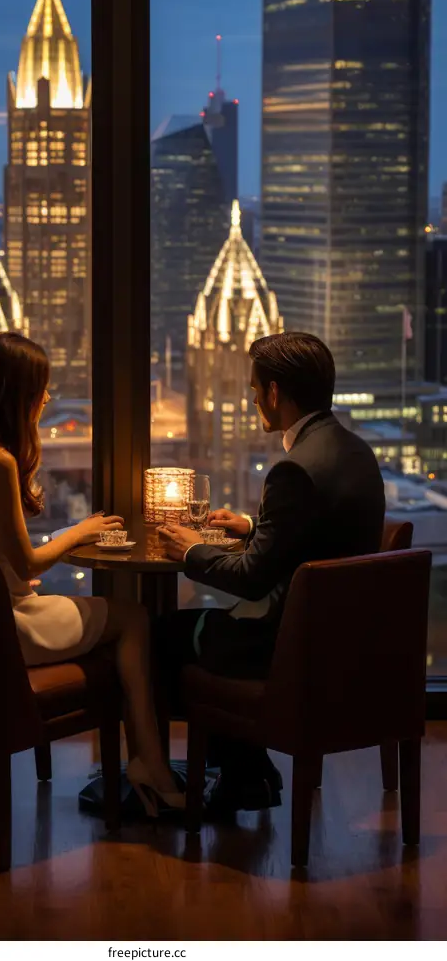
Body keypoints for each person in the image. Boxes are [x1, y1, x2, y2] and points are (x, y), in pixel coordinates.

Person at [0, 331, 182, 815]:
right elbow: (28, 561)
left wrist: (16, 574)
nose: (46, 398)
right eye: (40, 388)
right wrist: (79, 531)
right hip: (6, 628)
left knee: (117, 618)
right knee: (134, 619)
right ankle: (149, 762)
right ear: (16, 393)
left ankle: (144, 762)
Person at [157, 332, 385, 813]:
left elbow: (251, 578)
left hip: (290, 646)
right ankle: (250, 771)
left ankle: (221, 778)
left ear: (276, 393)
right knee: (201, 631)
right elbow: (324, 529)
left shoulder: (294, 469)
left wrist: (190, 551)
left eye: (256, 389)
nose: (254, 398)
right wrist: (253, 526)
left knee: (163, 637)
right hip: (345, 639)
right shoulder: (354, 450)